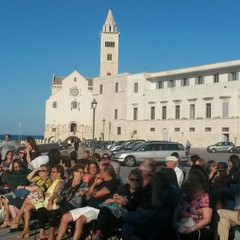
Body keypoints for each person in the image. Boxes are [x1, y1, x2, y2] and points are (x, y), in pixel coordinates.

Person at [56, 163, 118, 240]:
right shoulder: (101, 181)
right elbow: (89, 193)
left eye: (101, 170)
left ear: (106, 172)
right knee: (65, 217)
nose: (99, 172)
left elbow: (97, 194)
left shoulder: (112, 182)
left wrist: (93, 192)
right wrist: (95, 183)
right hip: (88, 207)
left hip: (98, 209)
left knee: (80, 220)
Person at [93, 168, 143, 240]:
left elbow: (130, 205)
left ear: (140, 181)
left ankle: (99, 234)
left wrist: (116, 201)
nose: (135, 182)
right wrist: (117, 197)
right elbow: (109, 198)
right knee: (104, 209)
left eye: (137, 180)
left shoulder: (140, 192)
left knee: (108, 221)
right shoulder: (124, 187)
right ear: (128, 179)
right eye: (132, 179)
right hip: (115, 212)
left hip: (126, 215)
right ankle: (98, 232)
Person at [9, 164, 52, 238]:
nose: (40, 172)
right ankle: (26, 230)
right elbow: (28, 177)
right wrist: (36, 169)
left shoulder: (48, 180)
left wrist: (24, 187)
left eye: (43, 170)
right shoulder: (38, 178)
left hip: (43, 202)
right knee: (27, 208)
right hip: (36, 201)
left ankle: (17, 219)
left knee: (28, 198)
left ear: (47, 172)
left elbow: (37, 189)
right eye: (40, 171)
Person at [174, 168, 213, 240]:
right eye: (190, 180)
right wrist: (175, 223)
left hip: (197, 228)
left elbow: (207, 219)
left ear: (201, 182)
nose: (191, 182)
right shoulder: (185, 195)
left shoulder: (205, 197)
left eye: (194, 180)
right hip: (182, 224)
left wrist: (190, 229)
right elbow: (177, 210)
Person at [36, 165, 64, 240]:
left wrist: (50, 200)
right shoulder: (54, 181)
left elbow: (56, 193)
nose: (51, 173)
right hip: (47, 203)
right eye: (51, 172)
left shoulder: (60, 182)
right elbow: (48, 193)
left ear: (59, 173)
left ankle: (51, 235)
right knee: (40, 211)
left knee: (51, 213)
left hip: (55, 205)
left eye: (53, 172)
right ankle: (42, 234)